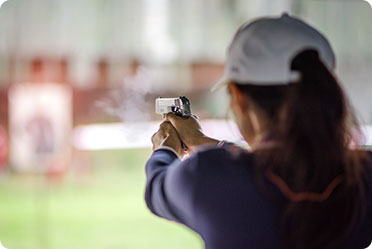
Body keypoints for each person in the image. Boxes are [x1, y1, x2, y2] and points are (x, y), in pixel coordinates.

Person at [144, 13, 372, 249]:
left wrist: (165, 147)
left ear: (240, 99)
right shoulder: (364, 175)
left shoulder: (208, 175)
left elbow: (156, 186)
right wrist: (201, 140)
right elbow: (277, 166)